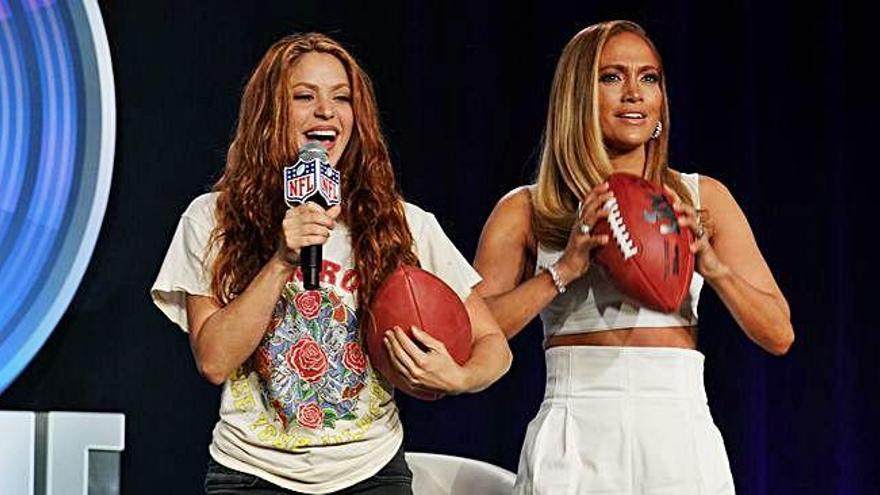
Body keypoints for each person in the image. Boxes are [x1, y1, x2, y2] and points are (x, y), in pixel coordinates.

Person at [151, 32, 511, 494]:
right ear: (269, 114)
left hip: (369, 473)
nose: (326, 111)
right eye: (305, 96)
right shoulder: (211, 217)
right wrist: (283, 259)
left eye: (342, 98)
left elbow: (494, 346)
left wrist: (458, 376)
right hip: (250, 475)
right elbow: (215, 361)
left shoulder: (402, 223)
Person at [473, 20, 794, 494]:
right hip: (575, 432)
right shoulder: (527, 208)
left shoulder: (703, 198)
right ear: (578, 97)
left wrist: (713, 268)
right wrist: (564, 271)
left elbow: (779, 334)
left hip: (677, 430)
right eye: (611, 77)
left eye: (649, 78)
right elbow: (473, 332)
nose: (633, 94)